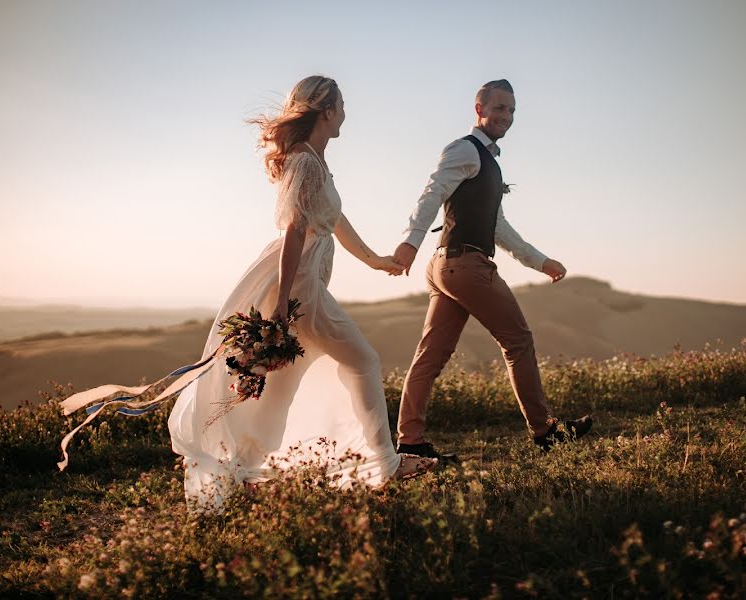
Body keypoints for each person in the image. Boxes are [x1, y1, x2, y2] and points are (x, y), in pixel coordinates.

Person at [168, 75, 436, 512]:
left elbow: (335, 221)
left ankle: (244, 467)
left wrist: (376, 261)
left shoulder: (313, 160)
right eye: (342, 105)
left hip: (303, 280)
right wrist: (281, 303)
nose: (347, 113)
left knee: (279, 385)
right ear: (326, 111)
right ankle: (386, 464)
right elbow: (295, 228)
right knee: (362, 360)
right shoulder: (306, 163)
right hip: (301, 284)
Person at [391, 79, 593, 459]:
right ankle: (545, 431)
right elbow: (432, 192)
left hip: (447, 266)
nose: (506, 117)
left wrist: (539, 260)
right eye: (499, 108)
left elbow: (497, 225)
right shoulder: (464, 150)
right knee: (518, 341)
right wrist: (410, 241)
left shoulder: (488, 162)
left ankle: (410, 442)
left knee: (430, 357)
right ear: (479, 109)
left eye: (512, 110)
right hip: (466, 264)